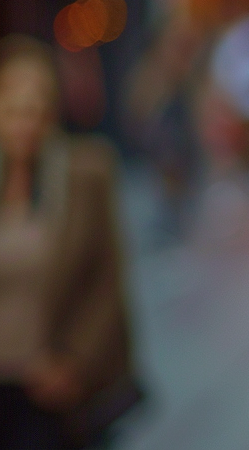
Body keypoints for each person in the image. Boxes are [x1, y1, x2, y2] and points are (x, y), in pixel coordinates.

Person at [0, 36, 136, 449]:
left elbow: (108, 284)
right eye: (15, 107)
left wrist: (75, 363)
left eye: (37, 104)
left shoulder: (86, 172)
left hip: (51, 387)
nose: (27, 119)